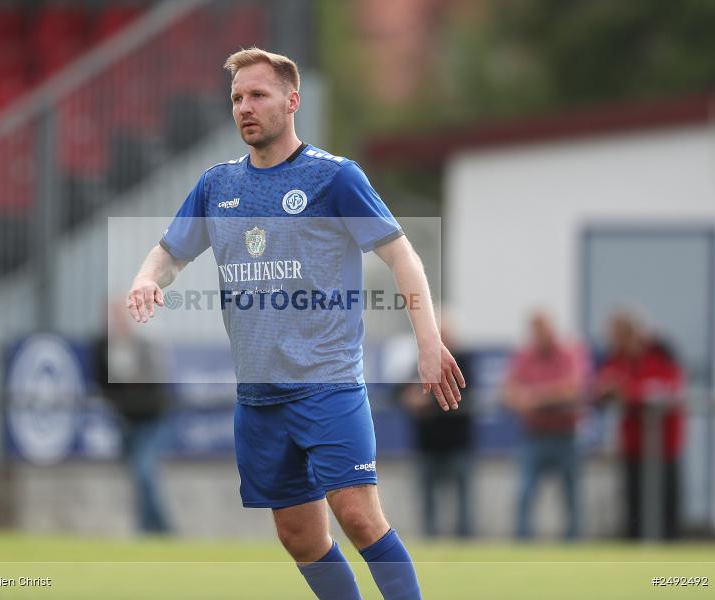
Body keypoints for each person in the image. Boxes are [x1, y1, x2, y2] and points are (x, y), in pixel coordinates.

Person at [126, 48, 464, 600]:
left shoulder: (333, 178)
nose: (245, 108)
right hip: (258, 398)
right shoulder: (217, 186)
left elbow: (403, 257)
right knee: (300, 536)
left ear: (292, 100)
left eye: (257, 95)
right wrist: (147, 279)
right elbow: (169, 252)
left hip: (326, 384)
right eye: (237, 98)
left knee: (357, 515)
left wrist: (429, 341)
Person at [595, 311, 684, 540]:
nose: (613, 341)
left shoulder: (661, 354)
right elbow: (601, 389)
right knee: (634, 502)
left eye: (618, 335)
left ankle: (670, 559)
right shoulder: (616, 359)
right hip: (633, 444)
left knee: (666, 503)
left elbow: (668, 391)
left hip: (664, 445)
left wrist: (628, 392)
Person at [503, 311, 585, 540]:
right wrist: (532, 398)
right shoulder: (524, 356)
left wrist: (535, 398)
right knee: (524, 494)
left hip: (565, 434)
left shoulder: (569, 353)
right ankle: (523, 542)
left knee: (571, 496)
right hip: (534, 435)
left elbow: (572, 390)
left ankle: (574, 543)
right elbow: (509, 392)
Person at [93, 299, 171, 534]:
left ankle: (160, 530)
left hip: (151, 419)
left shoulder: (143, 346)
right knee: (139, 477)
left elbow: (154, 385)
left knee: (144, 470)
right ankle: (147, 528)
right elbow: (101, 383)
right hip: (126, 422)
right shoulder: (101, 348)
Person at [396, 317, 475, 538]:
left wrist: (427, 403)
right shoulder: (419, 364)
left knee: (462, 502)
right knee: (427, 501)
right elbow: (398, 392)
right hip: (426, 445)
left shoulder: (463, 363)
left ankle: (465, 540)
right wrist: (408, 398)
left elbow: (463, 397)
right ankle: (430, 540)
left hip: (457, 444)